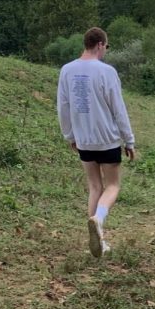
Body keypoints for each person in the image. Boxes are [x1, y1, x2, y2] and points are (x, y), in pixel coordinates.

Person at [57, 27, 136, 258]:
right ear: (100, 44)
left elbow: (63, 106)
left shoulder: (66, 70)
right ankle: (98, 220)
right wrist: (129, 140)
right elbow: (118, 108)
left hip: (83, 141)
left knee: (94, 186)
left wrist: (69, 135)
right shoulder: (107, 71)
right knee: (112, 186)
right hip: (107, 140)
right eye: (106, 47)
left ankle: (98, 242)